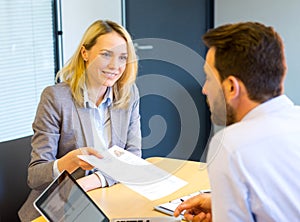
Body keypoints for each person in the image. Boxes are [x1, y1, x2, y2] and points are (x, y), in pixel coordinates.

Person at [174, 21, 300, 221]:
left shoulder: (231, 145)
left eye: (209, 78)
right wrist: (222, 205)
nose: (204, 89)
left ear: (232, 87)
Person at [18, 20, 141, 221]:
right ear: (85, 53)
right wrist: (69, 161)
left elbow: (133, 158)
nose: (114, 66)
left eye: (122, 58)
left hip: (108, 200)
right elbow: (35, 177)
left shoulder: (128, 95)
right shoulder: (56, 98)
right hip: (62, 210)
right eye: (106, 54)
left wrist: (95, 180)